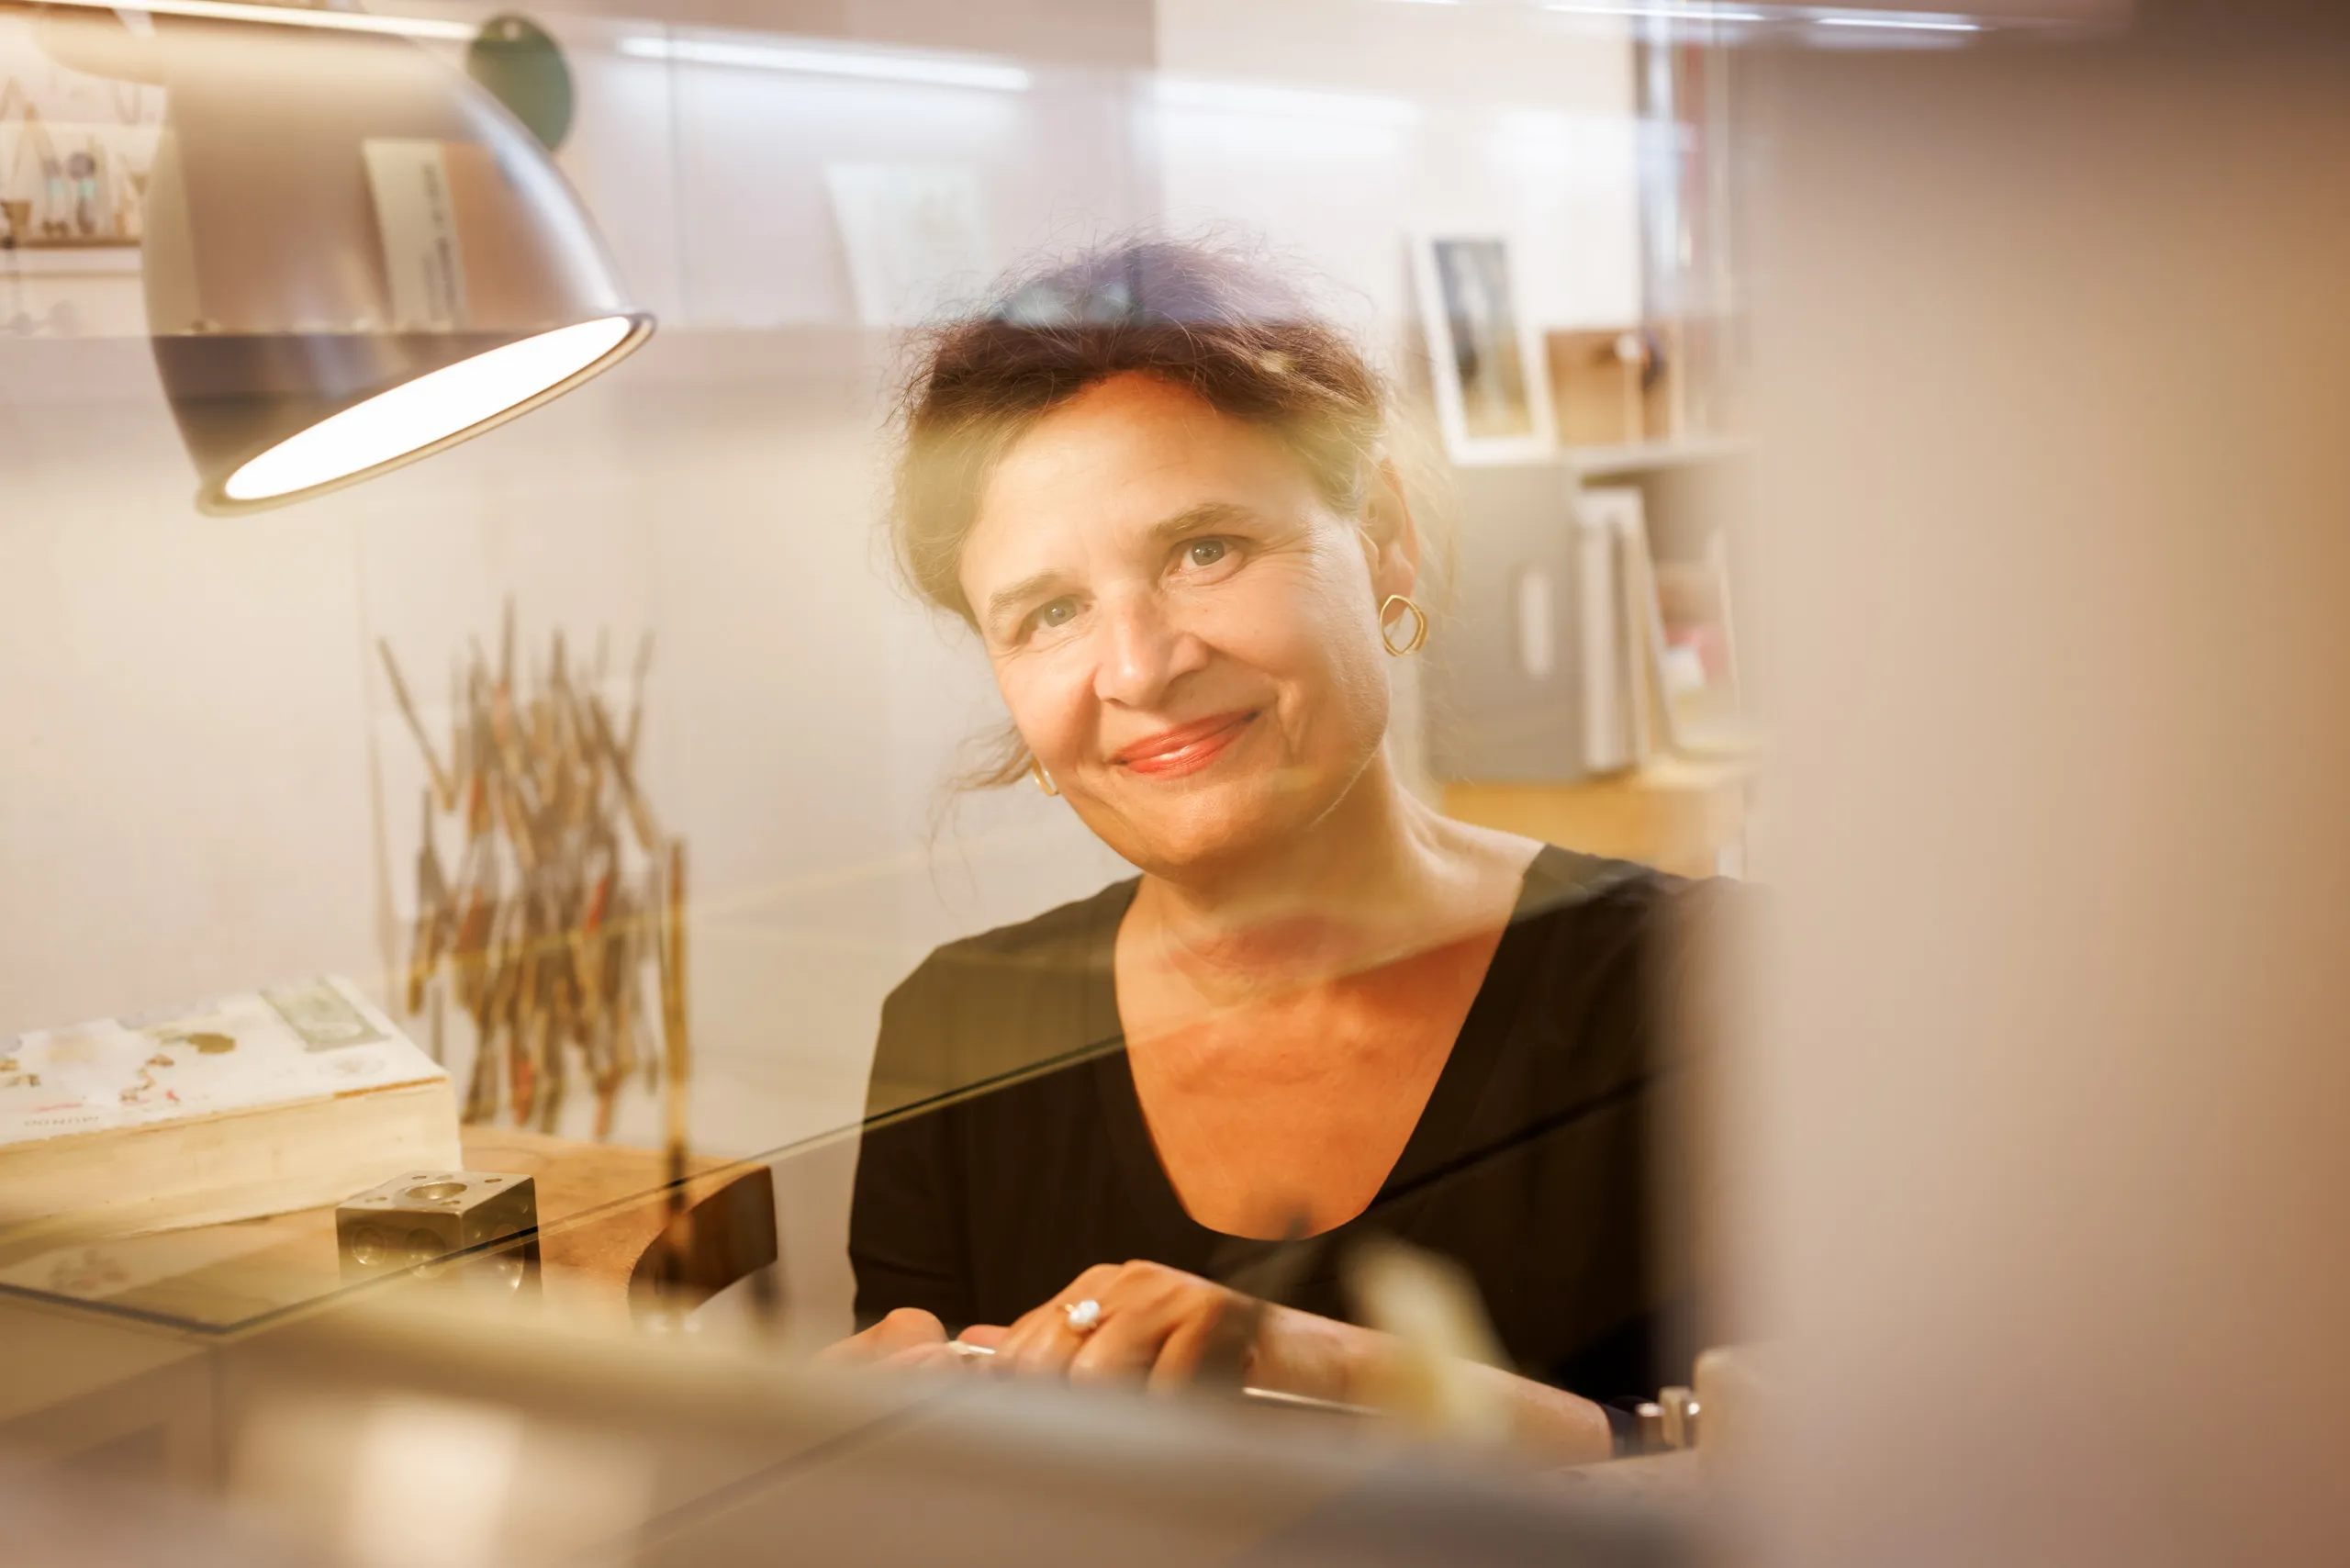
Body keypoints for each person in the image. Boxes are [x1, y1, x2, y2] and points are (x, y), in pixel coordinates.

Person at [825, 241, 1723, 1462]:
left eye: (1205, 549)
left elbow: (1860, 1493)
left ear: (1386, 540)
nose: (1139, 668)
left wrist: (1333, 1373)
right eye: (1049, 614)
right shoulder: (957, 1035)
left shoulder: (1702, 982)